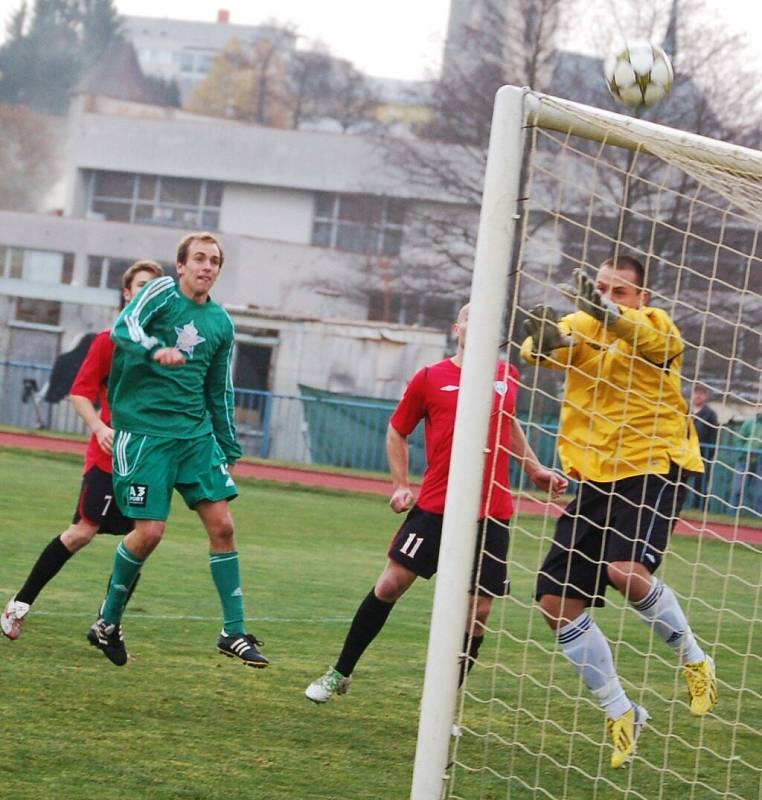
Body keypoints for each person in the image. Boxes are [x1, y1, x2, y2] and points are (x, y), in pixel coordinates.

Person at [305, 303, 568, 704]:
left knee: (477, 612)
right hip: (436, 506)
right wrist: (399, 485)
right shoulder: (430, 378)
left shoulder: (506, 376)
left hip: (491, 512)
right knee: (390, 584)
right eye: (469, 317)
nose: (476, 324)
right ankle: (339, 672)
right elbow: (397, 431)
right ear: (457, 327)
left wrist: (535, 470)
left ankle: (444, 707)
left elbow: (509, 422)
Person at [522, 256, 718, 770]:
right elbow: (536, 349)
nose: (608, 297)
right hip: (594, 474)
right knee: (553, 601)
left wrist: (609, 317)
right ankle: (622, 709)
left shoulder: (655, 326)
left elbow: (657, 344)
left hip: (653, 464)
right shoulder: (582, 326)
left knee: (625, 571)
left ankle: (695, 659)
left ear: (641, 297)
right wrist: (548, 339)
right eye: (602, 288)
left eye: (620, 291)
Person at [88, 232, 268, 669]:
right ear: (181, 264)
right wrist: (155, 349)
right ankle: (107, 622)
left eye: (215, 261)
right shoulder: (161, 293)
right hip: (146, 434)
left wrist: (227, 444)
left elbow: (219, 388)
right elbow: (123, 328)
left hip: (195, 436)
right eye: (200, 259)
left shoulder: (221, 323)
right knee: (149, 533)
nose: (207, 267)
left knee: (223, 526)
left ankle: (234, 631)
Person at [2, 261, 164, 641]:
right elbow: (79, 392)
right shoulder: (110, 340)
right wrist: (99, 427)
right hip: (108, 460)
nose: (145, 294)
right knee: (82, 532)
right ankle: (19, 604)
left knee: (144, 538)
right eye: (140, 286)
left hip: (148, 462)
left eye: (153, 289)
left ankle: (107, 624)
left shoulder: (165, 349)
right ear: (127, 293)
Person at [689, 385, 719, 510]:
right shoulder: (686, 410)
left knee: (700, 482)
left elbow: (713, 435)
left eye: (701, 393)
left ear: (705, 396)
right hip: (685, 451)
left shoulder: (710, 414)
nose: (698, 396)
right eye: (696, 393)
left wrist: (709, 454)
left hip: (702, 453)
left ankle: (700, 507)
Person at [731, 409, 762, 517]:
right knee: (738, 489)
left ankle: (759, 517)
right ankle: (733, 515)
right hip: (744, 460)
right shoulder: (749, 423)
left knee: (760, 493)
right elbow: (739, 440)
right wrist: (743, 451)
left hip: (760, 463)